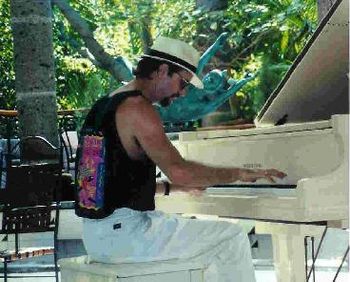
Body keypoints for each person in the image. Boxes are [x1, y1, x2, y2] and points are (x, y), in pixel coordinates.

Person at [82, 36, 286, 282]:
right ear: (162, 70)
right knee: (230, 238)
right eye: (183, 81)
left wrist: (171, 188)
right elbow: (180, 170)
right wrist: (239, 173)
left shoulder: (105, 105)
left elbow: (108, 185)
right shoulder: (138, 108)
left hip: (98, 235)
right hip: (125, 237)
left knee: (201, 241)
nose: (182, 92)